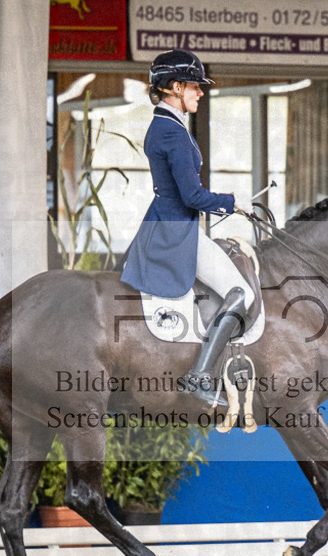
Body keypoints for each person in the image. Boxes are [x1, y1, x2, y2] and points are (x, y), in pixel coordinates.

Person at [121, 50, 255, 407]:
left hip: (170, 223)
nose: (200, 93)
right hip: (177, 231)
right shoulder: (172, 133)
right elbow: (193, 195)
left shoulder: (168, 126)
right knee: (242, 294)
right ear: (175, 87)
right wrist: (232, 201)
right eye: (195, 86)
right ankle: (200, 375)